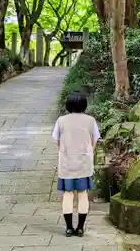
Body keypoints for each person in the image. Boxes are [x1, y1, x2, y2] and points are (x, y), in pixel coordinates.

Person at [52, 91, 100, 237]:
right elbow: (94, 141)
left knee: (67, 194)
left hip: (66, 164)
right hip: (84, 164)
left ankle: (68, 228)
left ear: (68, 105)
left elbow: (57, 142)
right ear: (84, 105)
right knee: (82, 194)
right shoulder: (91, 120)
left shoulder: (61, 121)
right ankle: (80, 228)